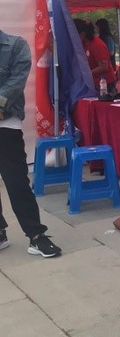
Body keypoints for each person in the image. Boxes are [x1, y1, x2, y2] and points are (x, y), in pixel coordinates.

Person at [0, 29, 62, 257]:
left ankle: (36, 236)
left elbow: (16, 82)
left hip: (6, 124)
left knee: (16, 181)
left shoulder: (15, 46)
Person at [74, 19, 116, 93]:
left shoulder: (97, 44)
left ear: (82, 34)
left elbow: (104, 67)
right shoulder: (83, 44)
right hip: (93, 83)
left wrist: (87, 73)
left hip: (105, 85)